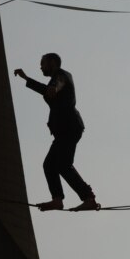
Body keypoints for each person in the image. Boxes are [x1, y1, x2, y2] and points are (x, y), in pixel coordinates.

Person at [14, 54, 100, 211]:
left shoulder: (61, 76)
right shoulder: (59, 77)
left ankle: (88, 198)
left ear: (52, 62)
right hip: (64, 131)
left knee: (63, 165)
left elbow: (55, 86)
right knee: (49, 165)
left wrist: (52, 88)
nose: (41, 67)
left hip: (69, 128)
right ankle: (57, 199)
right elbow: (48, 90)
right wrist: (27, 78)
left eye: (43, 63)